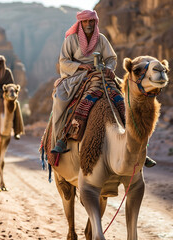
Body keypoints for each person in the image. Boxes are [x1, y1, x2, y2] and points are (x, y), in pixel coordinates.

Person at [51, 10, 156, 167]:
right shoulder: (71, 40)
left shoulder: (101, 39)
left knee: (126, 98)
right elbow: (64, 61)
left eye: (91, 21)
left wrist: (108, 68)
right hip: (77, 76)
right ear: (80, 23)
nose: (88, 24)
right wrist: (80, 65)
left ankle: (139, 149)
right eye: (85, 22)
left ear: (95, 22)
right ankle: (60, 138)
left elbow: (112, 58)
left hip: (101, 74)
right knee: (60, 99)